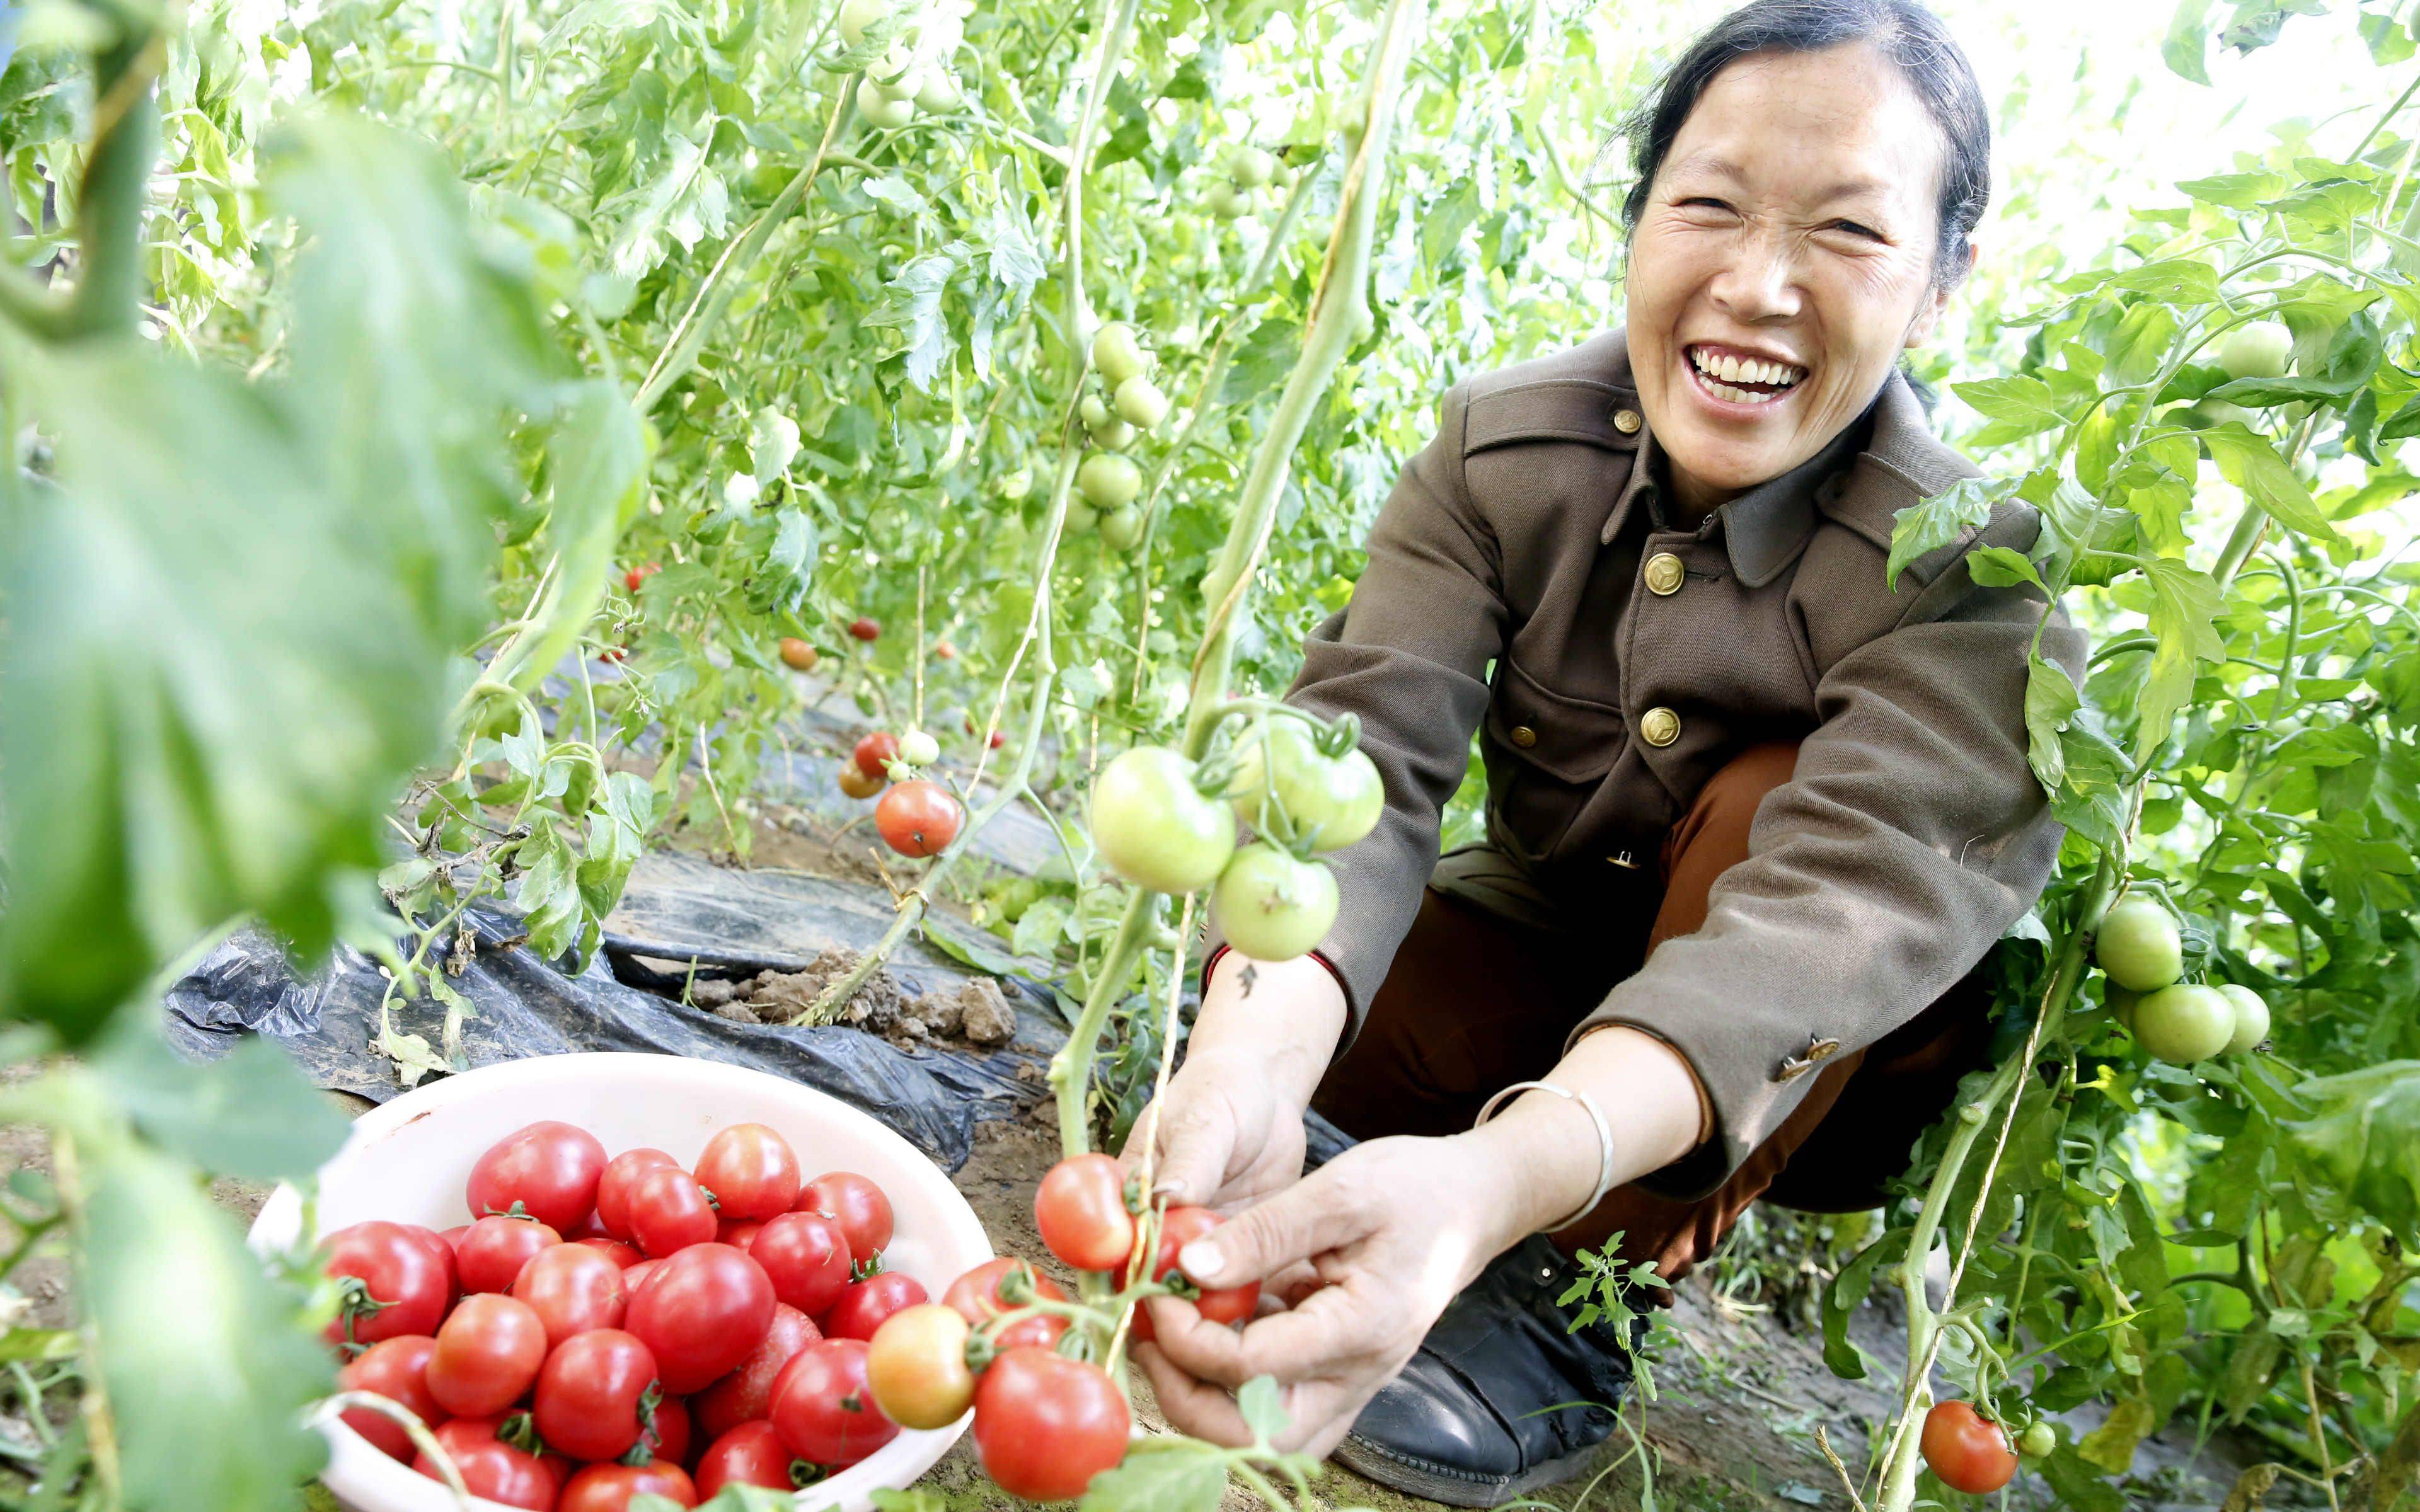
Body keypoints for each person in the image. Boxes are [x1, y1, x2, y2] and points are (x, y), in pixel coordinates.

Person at [1121, 0, 2089, 1503]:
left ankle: (1590, 1299)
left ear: (1949, 281)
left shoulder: (1977, 570)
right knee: (1277, 1025)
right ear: (1640, 219)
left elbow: (1820, 931)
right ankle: (1439, 1160)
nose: (1757, 286)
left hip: (1797, 1063)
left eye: (1848, 232)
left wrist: (1498, 1183)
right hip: (1543, 950)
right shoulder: (1505, 450)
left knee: (1768, 808)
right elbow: (1359, 762)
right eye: (1707, 205)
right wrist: (1248, 1056)